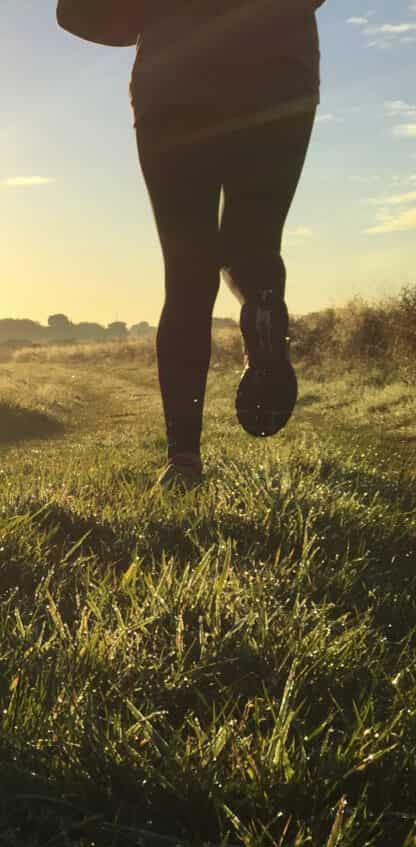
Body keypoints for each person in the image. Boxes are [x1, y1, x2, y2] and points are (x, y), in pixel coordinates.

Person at [63, 1, 324, 488]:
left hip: (174, 80)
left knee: (188, 275)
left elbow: (75, 11)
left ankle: (183, 459)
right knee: (255, 242)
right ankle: (263, 308)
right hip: (279, 71)